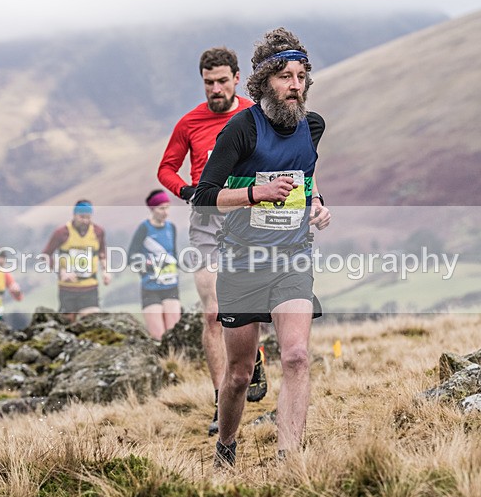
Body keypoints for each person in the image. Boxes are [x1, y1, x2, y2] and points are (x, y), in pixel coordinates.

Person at [193, 28, 331, 467]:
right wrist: (256, 193)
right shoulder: (241, 129)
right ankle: (227, 447)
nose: (295, 85)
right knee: (237, 375)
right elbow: (204, 195)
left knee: (295, 355)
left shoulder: (312, 126)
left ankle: (289, 459)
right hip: (242, 261)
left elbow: (304, 182)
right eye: (285, 77)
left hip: (292, 257)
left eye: (301, 76)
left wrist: (318, 205)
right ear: (263, 82)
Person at [157, 46, 267, 436]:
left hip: (251, 217)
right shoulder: (190, 123)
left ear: (237, 78)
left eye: (222, 81)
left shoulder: (255, 114)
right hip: (206, 219)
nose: (215, 89)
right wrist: (186, 191)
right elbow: (165, 169)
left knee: (254, 305)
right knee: (212, 312)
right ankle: (222, 402)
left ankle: (254, 361)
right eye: (208, 83)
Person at [41, 200, 110, 320]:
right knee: (68, 326)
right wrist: (61, 271)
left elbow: (102, 252)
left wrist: (106, 270)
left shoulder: (98, 232)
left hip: (90, 287)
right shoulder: (62, 232)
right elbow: (45, 255)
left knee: (91, 322)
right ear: (74, 215)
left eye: (88, 217)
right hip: (67, 288)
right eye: (81, 217)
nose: (85, 220)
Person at [127, 190, 182, 339]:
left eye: (168, 207)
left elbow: (174, 254)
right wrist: (147, 264)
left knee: (174, 334)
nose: (166, 212)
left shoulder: (171, 228)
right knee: (158, 336)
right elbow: (130, 257)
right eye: (161, 208)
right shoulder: (144, 228)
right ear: (152, 209)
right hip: (150, 287)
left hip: (171, 285)